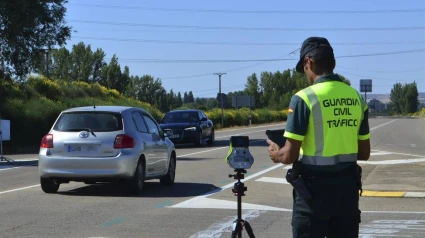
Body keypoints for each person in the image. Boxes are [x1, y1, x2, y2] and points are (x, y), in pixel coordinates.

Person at [267, 36, 371, 238]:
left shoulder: (304, 98)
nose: (305, 74)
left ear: (309, 62)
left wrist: (276, 153)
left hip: (312, 194)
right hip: (346, 193)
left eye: (304, 68)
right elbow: (364, 153)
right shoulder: (356, 98)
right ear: (333, 63)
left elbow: (289, 156)